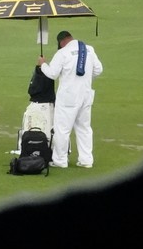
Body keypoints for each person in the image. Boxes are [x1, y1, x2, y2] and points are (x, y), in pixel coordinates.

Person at [37, 30, 103, 168]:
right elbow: (98, 70)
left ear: (61, 42)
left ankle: (60, 161)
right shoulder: (89, 49)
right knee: (84, 128)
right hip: (86, 95)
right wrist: (84, 80)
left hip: (68, 98)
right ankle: (86, 160)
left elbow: (52, 74)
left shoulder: (62, 53)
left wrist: (42, 64)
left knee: (62, 129)